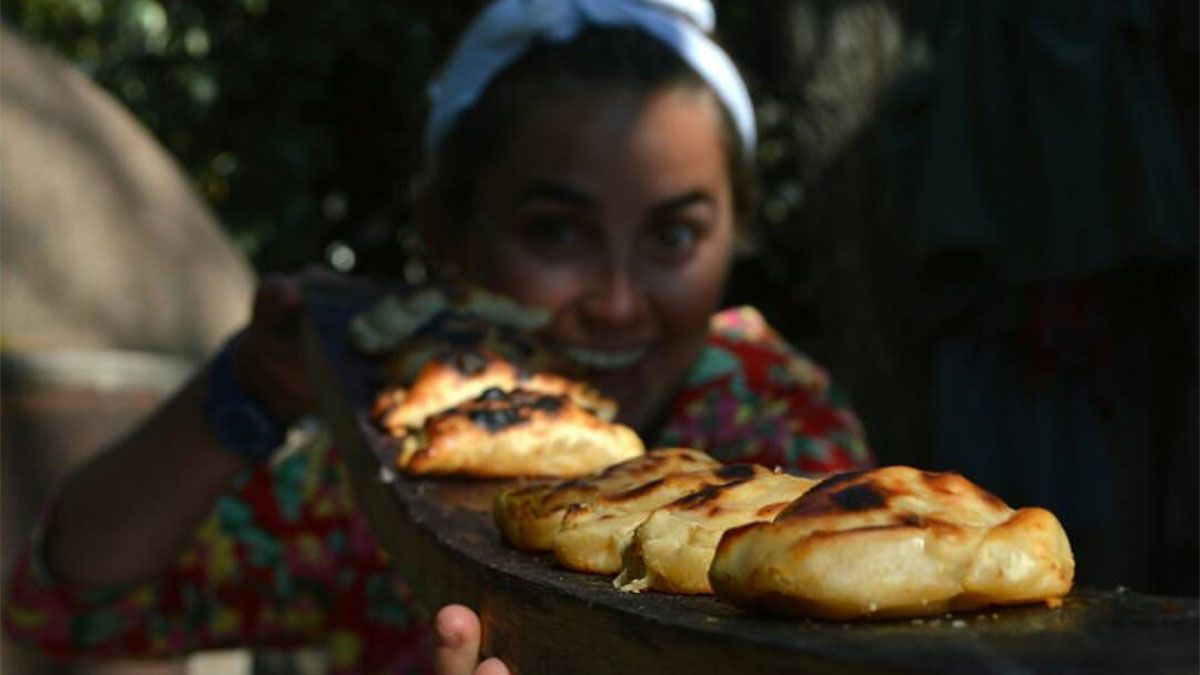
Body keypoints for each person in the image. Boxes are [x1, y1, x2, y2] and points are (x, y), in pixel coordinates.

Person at [2, 1, 873, 673]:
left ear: (737, 229)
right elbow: (68, 606)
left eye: (674, 235)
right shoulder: (387, 464)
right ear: (450, 232)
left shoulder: (772, 431)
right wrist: (244, 395)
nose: (616, 301)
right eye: (556, 232)